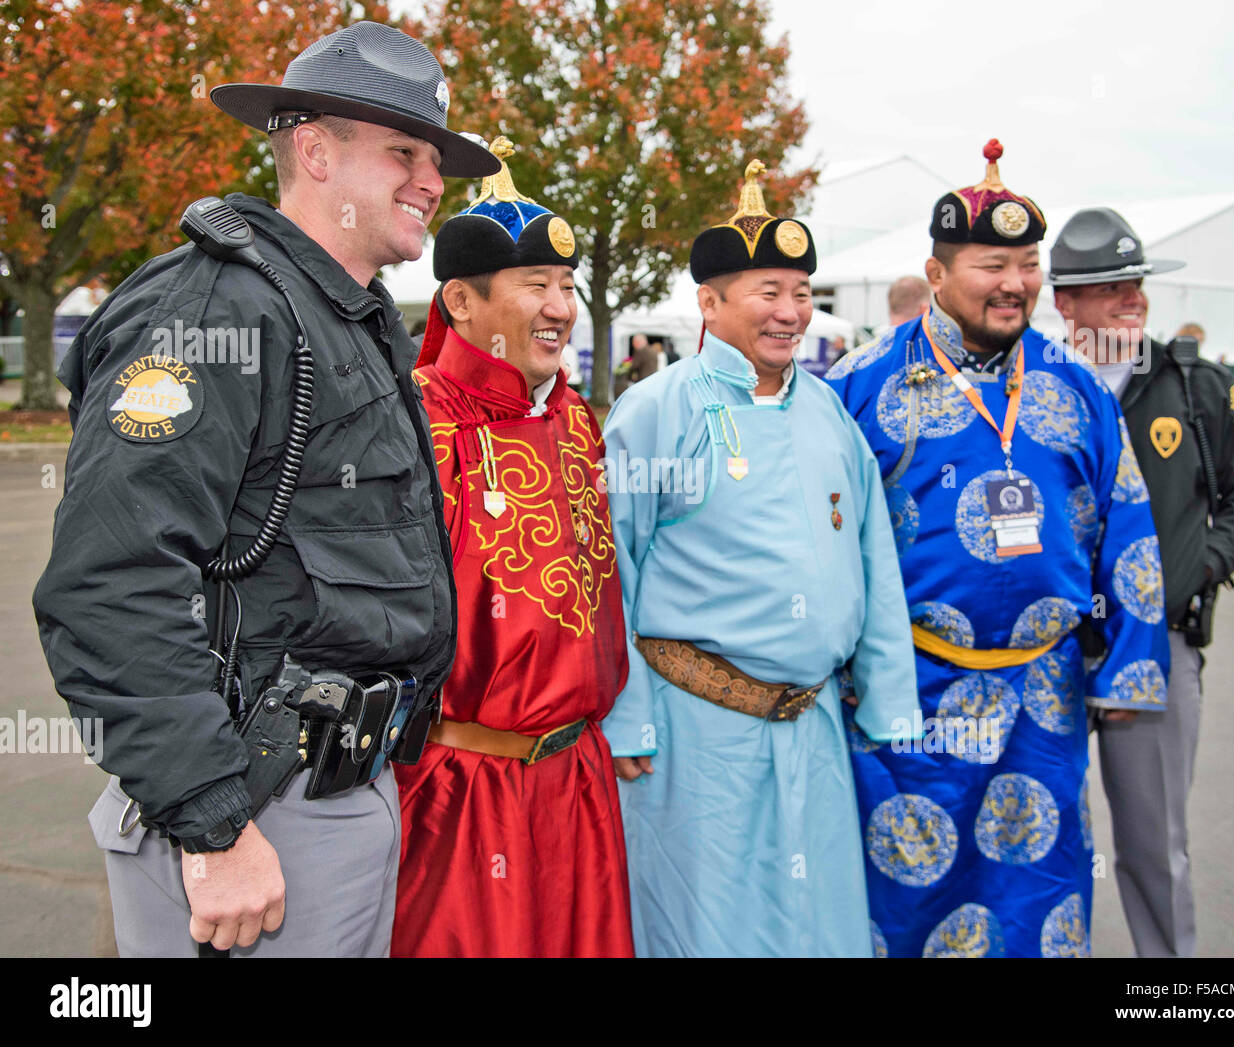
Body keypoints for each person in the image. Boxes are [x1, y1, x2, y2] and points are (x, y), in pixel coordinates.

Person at [31, 22, 499, 957]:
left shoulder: (337, 314)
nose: (433, 181)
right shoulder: (219, 308)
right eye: (404, 151)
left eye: (438, 158)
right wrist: (211, 823)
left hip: (330, 797)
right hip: (252, 816)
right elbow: (111, 581)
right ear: (315, 150)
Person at [825, 142, 1170, 957]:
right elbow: (819, 535)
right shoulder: (861, 384)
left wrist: (1128, 664)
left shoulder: (1076, 383)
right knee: (902, 903)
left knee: (1039, 901)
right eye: (992, 264)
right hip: (905, 693)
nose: (1015, 283)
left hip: (1042, 699)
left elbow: (1129, 525)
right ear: (937, 274)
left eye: (1028, 265)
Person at [601, 159, 920, 957]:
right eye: (767, 292)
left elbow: (873, 561)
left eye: (801, 292)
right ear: (709, 302)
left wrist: (889, 700)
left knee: (817, 927)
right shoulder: (655, 412)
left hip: (813, 728)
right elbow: (610, 570)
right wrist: (626, 715)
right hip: (695, 737)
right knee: (708, 927)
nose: (791, 313)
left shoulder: (828, 412)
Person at [392, 137, 634, 957]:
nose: (561, 307)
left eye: (567, 286)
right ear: (460, 301)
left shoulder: (575, 419)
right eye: (537, 285)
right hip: (459, 792)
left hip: (579, 783)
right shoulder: (412, 423)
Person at [1052, 209, 1234, 957]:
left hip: (1157, 651)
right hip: (1042, 655)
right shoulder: (1031, 385)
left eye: (1136, 283)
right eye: (1110, 286)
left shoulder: (1198, 388)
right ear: (1065, 302)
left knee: (1156, 847)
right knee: (1041, 839)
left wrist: (1195, 566)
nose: (1132, 298)